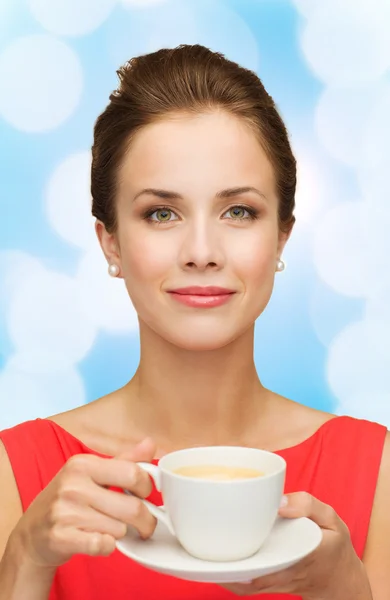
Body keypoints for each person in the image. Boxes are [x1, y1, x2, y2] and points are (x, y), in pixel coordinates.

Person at [0, 43, 389, 600]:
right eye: (161, 213)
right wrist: (25, 561)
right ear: (109, 242)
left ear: (281, 235)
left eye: (239, 211)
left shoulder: (376, 472)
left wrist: (345, 590)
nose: (201, 251)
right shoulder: (19, 473)